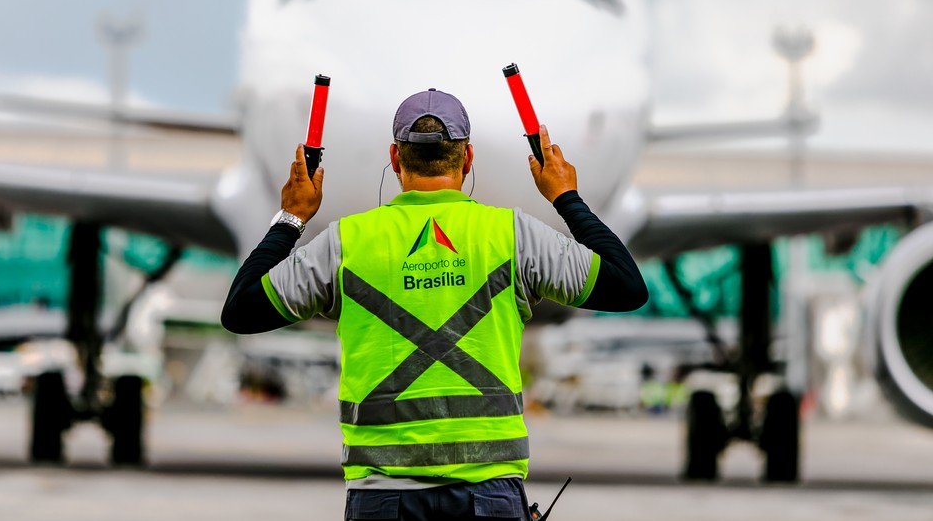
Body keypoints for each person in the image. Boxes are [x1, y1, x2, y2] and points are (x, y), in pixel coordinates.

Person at [221, 88, 648, 521]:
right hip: (490, 491)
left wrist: (292, 217)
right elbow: (626, 287)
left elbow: (241, 310)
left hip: (383, 494)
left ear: (394, 157)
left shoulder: (346, 242)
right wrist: (564, 196)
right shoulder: (514, 236)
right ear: (467, 159)